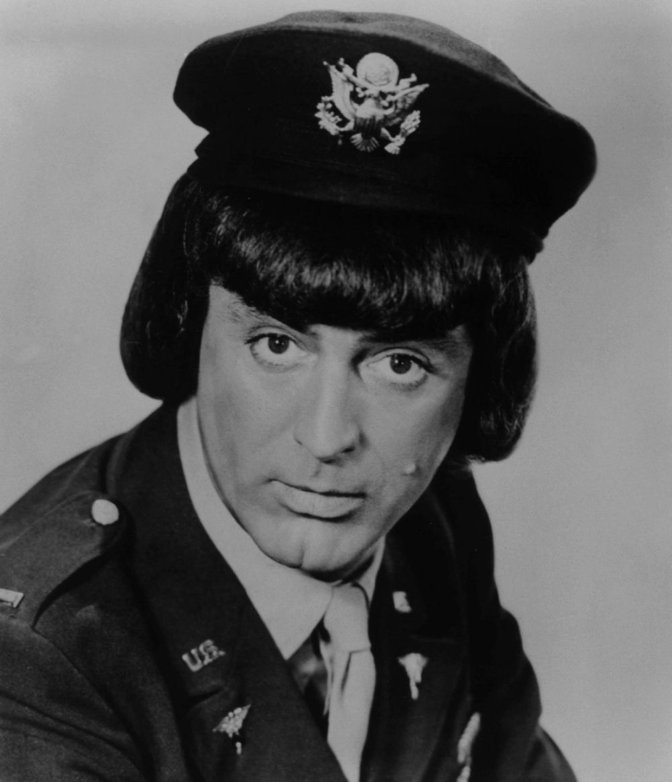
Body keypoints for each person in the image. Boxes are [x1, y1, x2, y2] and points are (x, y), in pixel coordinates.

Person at [0, 10, 596, 782]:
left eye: (400, 365)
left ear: (480, 380)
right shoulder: (40, 652)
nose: (326, 437)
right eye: (276, 345)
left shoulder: (438, 524)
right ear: (188, 323)